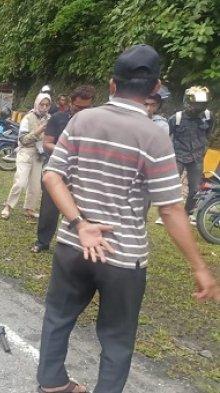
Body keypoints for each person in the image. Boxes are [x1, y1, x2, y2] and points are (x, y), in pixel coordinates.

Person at [36, 44, 219, 393]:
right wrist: (199, 267)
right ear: (155, 89)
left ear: (111, 84)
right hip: (123, 258)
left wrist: (79, 223)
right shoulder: (154, 135)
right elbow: (170, 208)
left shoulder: (81, 119)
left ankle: (52, 384)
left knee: (58, 318)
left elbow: (51, 175)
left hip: (75, 245)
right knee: (117, 341)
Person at [31, 85, 95, 253]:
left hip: (83, 173)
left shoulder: (95, 123)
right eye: (78, 107)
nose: (81, 111)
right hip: (57, 170)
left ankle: (76, 245)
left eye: (86, 108)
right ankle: (42, 242)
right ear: (71, 103)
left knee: (81, 209)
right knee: (49, 209)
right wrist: (69, 152)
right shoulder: (58, 118)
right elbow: (47, 144)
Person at [1, 93, 51, 220]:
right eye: (42, 104)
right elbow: (23, 140)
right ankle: (8, 206)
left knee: (35, 186)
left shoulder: (49, 119)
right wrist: (39, 130)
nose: (44, 107)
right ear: (36, 103)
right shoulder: (28, 118)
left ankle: (29, 209)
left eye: (47, 104)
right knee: (20, 182)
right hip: (26, 153)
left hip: (39, 155)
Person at [169, 86, 215, 217]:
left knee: (195, 189)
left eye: (200, 104)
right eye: (194, 103)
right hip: (178, 156)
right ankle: (168, 212)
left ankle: (187, 213)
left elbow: (209, 133)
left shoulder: (208, 116)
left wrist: (204, 148)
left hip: (197, 157)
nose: (196, 107)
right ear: (187, 102)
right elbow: (166, 135)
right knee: (171, 185)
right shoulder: (176, 118)